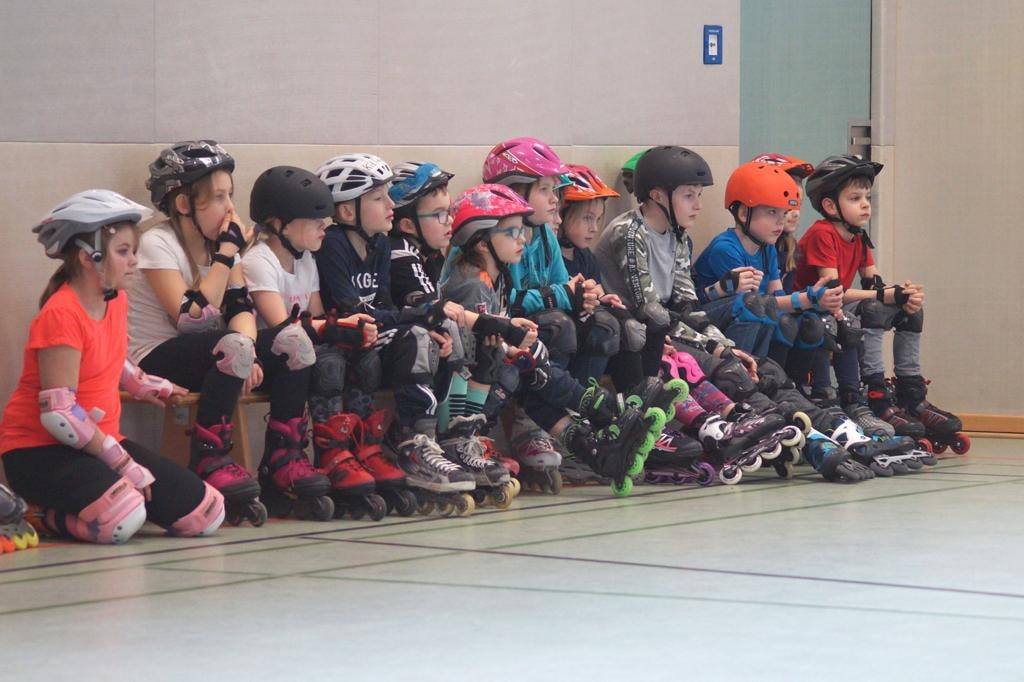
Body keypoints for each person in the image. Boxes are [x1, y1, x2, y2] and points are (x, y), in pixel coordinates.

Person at [1, 190, 225, 544]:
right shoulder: (60, 313)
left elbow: (109, 353)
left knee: (204, 512)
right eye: (124, 252)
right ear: (89, 258)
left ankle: (112, 497)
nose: (134, 261)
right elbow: (59, 414)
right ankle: (40, 514)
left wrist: (144, 382)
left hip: (97, 444)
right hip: (38, 452)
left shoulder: (115, 299)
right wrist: (124, 465)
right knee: (120, 520)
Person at [794, 155, 967, 454]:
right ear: (830, 206)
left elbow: (874, 286)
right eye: (855, 198)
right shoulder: (822, 234)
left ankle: (910, 393)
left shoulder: (859, 237)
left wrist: (904, 294)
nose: (865, 205)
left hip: (840, 307)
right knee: (874, 308)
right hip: (815, 310)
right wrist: (883, 296)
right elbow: (836, 292)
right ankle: (875, 394)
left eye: (867, 197)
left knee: (910, 311)